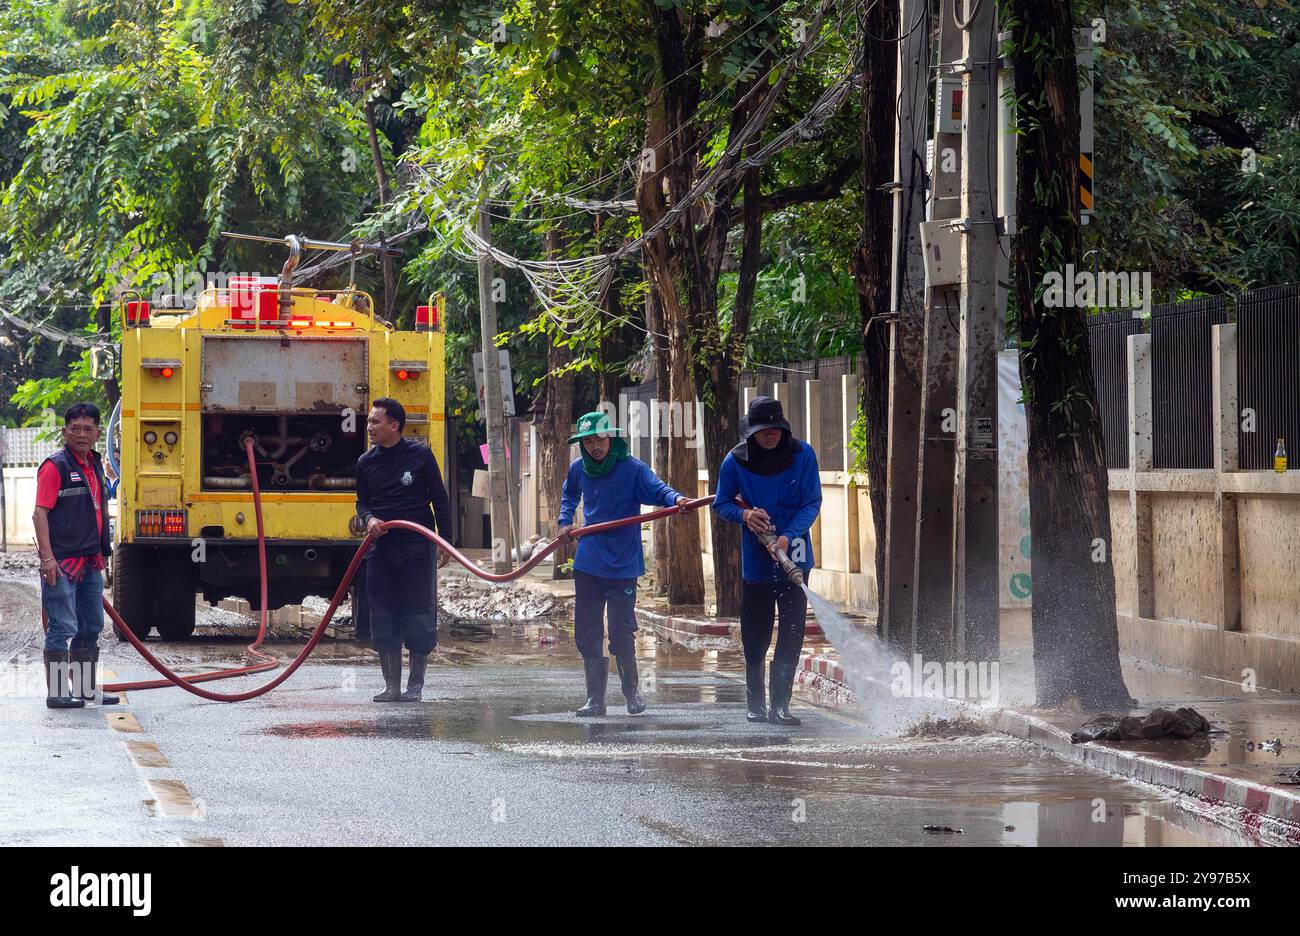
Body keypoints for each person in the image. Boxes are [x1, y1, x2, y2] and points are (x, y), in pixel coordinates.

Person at [558, 410, 690, 717]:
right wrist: (565, 521)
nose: (595, 446)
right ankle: (595, 700)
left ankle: (631, 692)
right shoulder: (579, 468)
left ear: (612, 438)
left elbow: (658, 490)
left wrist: (677, 500)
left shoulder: (632, 469)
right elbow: (569, 496)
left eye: (600, 439)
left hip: (623, 564)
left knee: (620, 630)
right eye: (588, 441)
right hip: (589, 561)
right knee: (587, 631)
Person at [713, 396, 822, 726]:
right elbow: (720, 504)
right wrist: (745, 515)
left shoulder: (803, 455)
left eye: (775, 428)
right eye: (763, 430)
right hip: (757, 565)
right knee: (755, 634)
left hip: (795, 559)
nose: (770, 435)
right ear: (751, 434)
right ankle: (756, 704)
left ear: (783, 428)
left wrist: (789, 535)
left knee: (792, 633)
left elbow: (811, 502)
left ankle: (781, 706)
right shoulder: (734, 463)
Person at [355, 398, 452, 703]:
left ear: (394, 426)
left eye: (375, 422)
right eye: (370, 422)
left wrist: (444, 541)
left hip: (416, 549)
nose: (369, 427)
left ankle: (415, 686)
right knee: (383, 616)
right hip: (381, 550)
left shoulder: (420, 456)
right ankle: (391, 686)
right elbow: (362, 502)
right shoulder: (365, 462)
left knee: (418, 616)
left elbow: (440, 499)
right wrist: (369, 519)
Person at [33, 402, 117, 709]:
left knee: (91, 625)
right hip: (61, 563)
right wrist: (47, 560)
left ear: (97, 433)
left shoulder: (94, 464)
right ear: (65, 431)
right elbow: (39, 514)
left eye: (88, 429)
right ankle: (57, 692)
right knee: (62, 627)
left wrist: (102, 554)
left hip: (90, 561)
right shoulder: (55, 467)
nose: (81, 434)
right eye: (75, 429)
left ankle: (83, 689)